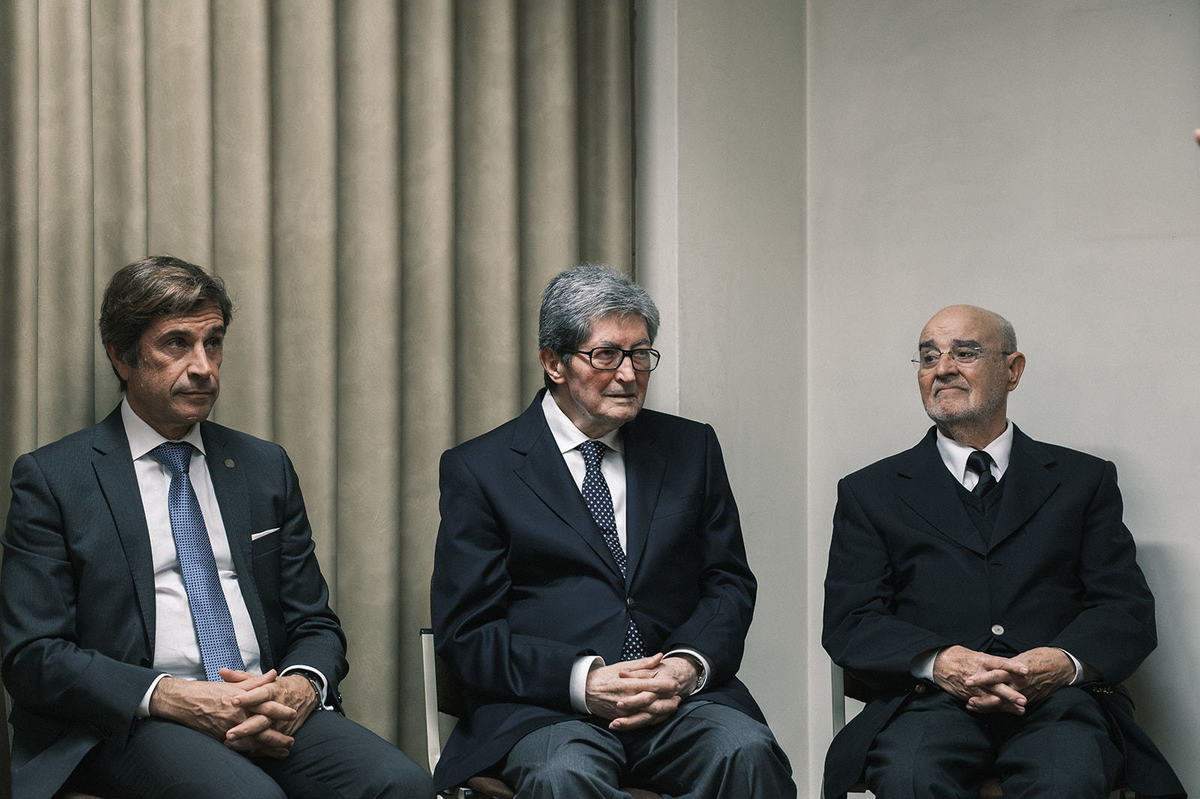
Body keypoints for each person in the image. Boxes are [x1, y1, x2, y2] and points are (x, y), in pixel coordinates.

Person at [0, 256, 432, 798]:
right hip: (132, 719)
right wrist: (172, 696)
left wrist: (299, 687)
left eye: (214, 343)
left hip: (263, 703)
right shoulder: (55, 478)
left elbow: (314, 622)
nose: (204, 367)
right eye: (176, 344)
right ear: (121, 356)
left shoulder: (262, 467)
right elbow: (33, 655)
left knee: (402, 785)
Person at [430, 265, 796, 798]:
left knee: (746, 749)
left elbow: (728, 583)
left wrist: (686, 666)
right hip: (547, 708)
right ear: (553, 363)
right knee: (563, 775)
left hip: (676, 701)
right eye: (606, 355)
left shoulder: (691, 448)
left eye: (640, 354)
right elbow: (468, 634)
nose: (628, 374)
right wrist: (583, 681)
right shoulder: (481, 469)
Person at [821, 305, 1185, 799]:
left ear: (1012, 371)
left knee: (1066, 779)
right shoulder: (870, 491)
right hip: (924, 702)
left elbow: (1124, 608)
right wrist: (941, 662)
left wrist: (1062, 662)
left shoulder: (1084, 480)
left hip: (1059, 704)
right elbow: (852, 619)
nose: (942, 368)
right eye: (928, 357)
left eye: (964, 353)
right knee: (911, 777)